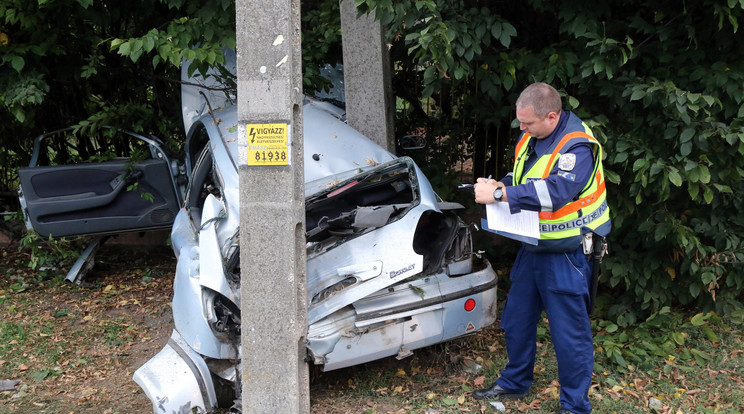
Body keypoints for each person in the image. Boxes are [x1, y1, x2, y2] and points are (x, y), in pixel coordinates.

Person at [471, 82, 611, 414]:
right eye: (521, 122)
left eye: (528, 123)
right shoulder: (533, 134)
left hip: (567, 254)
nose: (522, 128)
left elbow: (555, 192)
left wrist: (501, 196)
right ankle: (515, 381)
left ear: (551, 116)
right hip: (533, 246)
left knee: (569, 335)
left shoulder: (577, 146)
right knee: (516, 320)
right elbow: (525, 175)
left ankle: (575, 406)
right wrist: (502, 184)